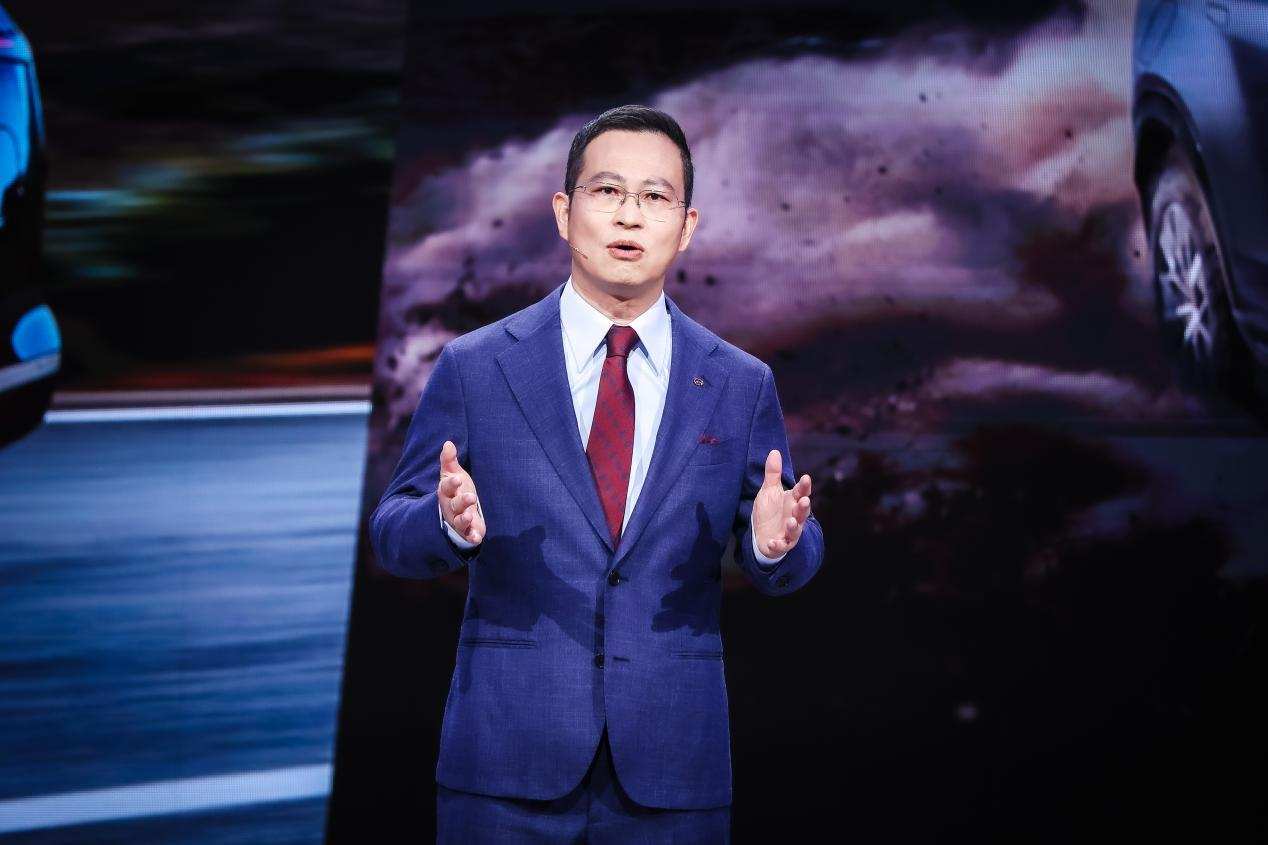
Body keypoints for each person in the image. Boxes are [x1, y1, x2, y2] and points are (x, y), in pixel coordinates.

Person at [370, 104, 824, 843]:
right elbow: (392, 531)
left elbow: (792, 542)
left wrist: (776, 546)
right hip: (506, 766)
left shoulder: (740, 383)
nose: (629, 215)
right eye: (607, 190)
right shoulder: (478, 366)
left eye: (655, 197)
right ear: (564, 211)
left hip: (672, 770)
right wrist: (443, 524)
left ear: (687, 226)